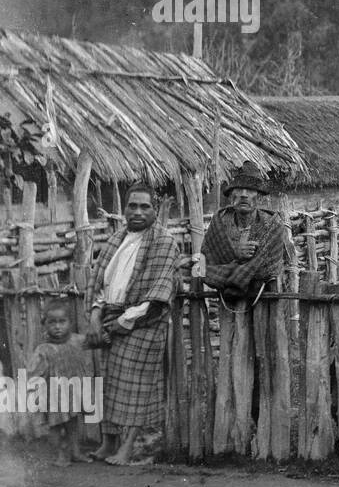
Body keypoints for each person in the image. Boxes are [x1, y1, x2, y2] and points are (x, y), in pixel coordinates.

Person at [85, 182, 180, 466]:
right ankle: (108, 443)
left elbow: (158, 295)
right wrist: (94, 315)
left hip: (143, 322)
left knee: (135, 385)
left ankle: (128, 449)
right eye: (132, 206)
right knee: (108, 382)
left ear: (155, 209)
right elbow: (100, 282)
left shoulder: (164, 242)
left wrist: (125, 321)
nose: (137, 212)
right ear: (124, 209)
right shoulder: (116, 239)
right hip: (110, 316)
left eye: (144, 206)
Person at [200, 161, 291, 307]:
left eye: (249, 190)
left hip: (264, 298)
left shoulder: (272, 225)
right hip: (227, 301)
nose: (243, 195)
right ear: (231, 196)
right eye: (239, 189)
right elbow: (206, 265)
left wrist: (233, 268)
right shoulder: (219, 223)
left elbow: (269, 269)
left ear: (260, 197)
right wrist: (235, 253)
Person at [28, 301, 92, 466]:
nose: (57, 326)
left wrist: (104, 337)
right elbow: (34, 372)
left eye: (62, 322)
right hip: (53, 396)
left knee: (73, 423)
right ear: (45, 325)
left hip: (73, 391)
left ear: (70, 323)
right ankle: (61, 453)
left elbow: (96, 340)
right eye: (52, 322)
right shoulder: (43, 349)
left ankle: (76, 451)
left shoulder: (78, 340)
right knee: (55, 426)